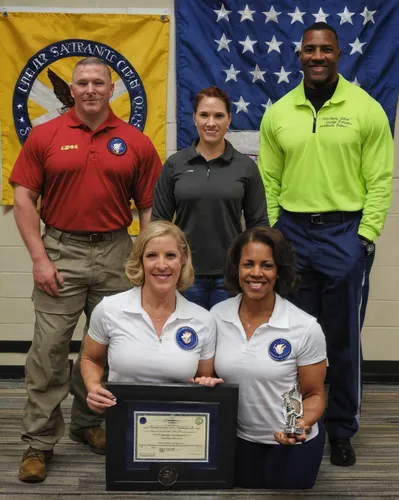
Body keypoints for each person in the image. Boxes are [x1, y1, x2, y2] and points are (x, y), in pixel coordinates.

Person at [10, 56, 162, 483]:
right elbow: (24, 200)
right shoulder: (45, 136)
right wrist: (40, 258)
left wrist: (145, 258)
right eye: (83, 83)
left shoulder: (135, 141)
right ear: (71, 90)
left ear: (111, 88)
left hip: (117, 251)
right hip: (61, 250)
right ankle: (38, 443)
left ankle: (86, 424)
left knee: (108, 350)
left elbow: (148, 206)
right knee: (49, 352)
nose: (91, 89)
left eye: (99, 82)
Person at [258, 23, 393, 467]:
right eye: (310, 50)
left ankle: (340, 429)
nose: (318, 56)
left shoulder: (365, 108)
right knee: (296, 338)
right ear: (299, 56)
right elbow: (269, 179)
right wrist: (276, 232)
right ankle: (296, 424)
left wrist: (365, 237)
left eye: (326, 49)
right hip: (293, 234)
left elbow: (378, 179)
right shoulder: (279, 111)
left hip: (344, 234)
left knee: (341, 340)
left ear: (338, 54)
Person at [211, 227, 327, 489]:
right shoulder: (217, 316)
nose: (256, 273)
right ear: (236, 269)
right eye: (248, 264)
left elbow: (314, 394)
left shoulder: (304, 327)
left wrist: (298, 425)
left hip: (290, 443)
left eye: (267, 265)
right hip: (239, 439)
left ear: (279, 271)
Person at [80, 221, 222, 413]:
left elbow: (202, 378)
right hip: (123, 422)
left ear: (183, 259)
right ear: (140, 260)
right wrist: (94, 386)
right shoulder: (109, 309)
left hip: (182, 428)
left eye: (170, 255)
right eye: (152, 256)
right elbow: (91, 358)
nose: (161, 265)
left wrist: (206, 382)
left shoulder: (203, 320)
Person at [151, 86, 269, 310]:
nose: (211, 123)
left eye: (219, 116)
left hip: (230, 277)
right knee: (187, 342)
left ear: (229, 119)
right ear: (195, 118)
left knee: (227, 342)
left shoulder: (245, 167)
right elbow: (159, 223)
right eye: (204, 115)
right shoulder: (175, 164)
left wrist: (254, 269)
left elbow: (259, 225)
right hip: (185, 275)